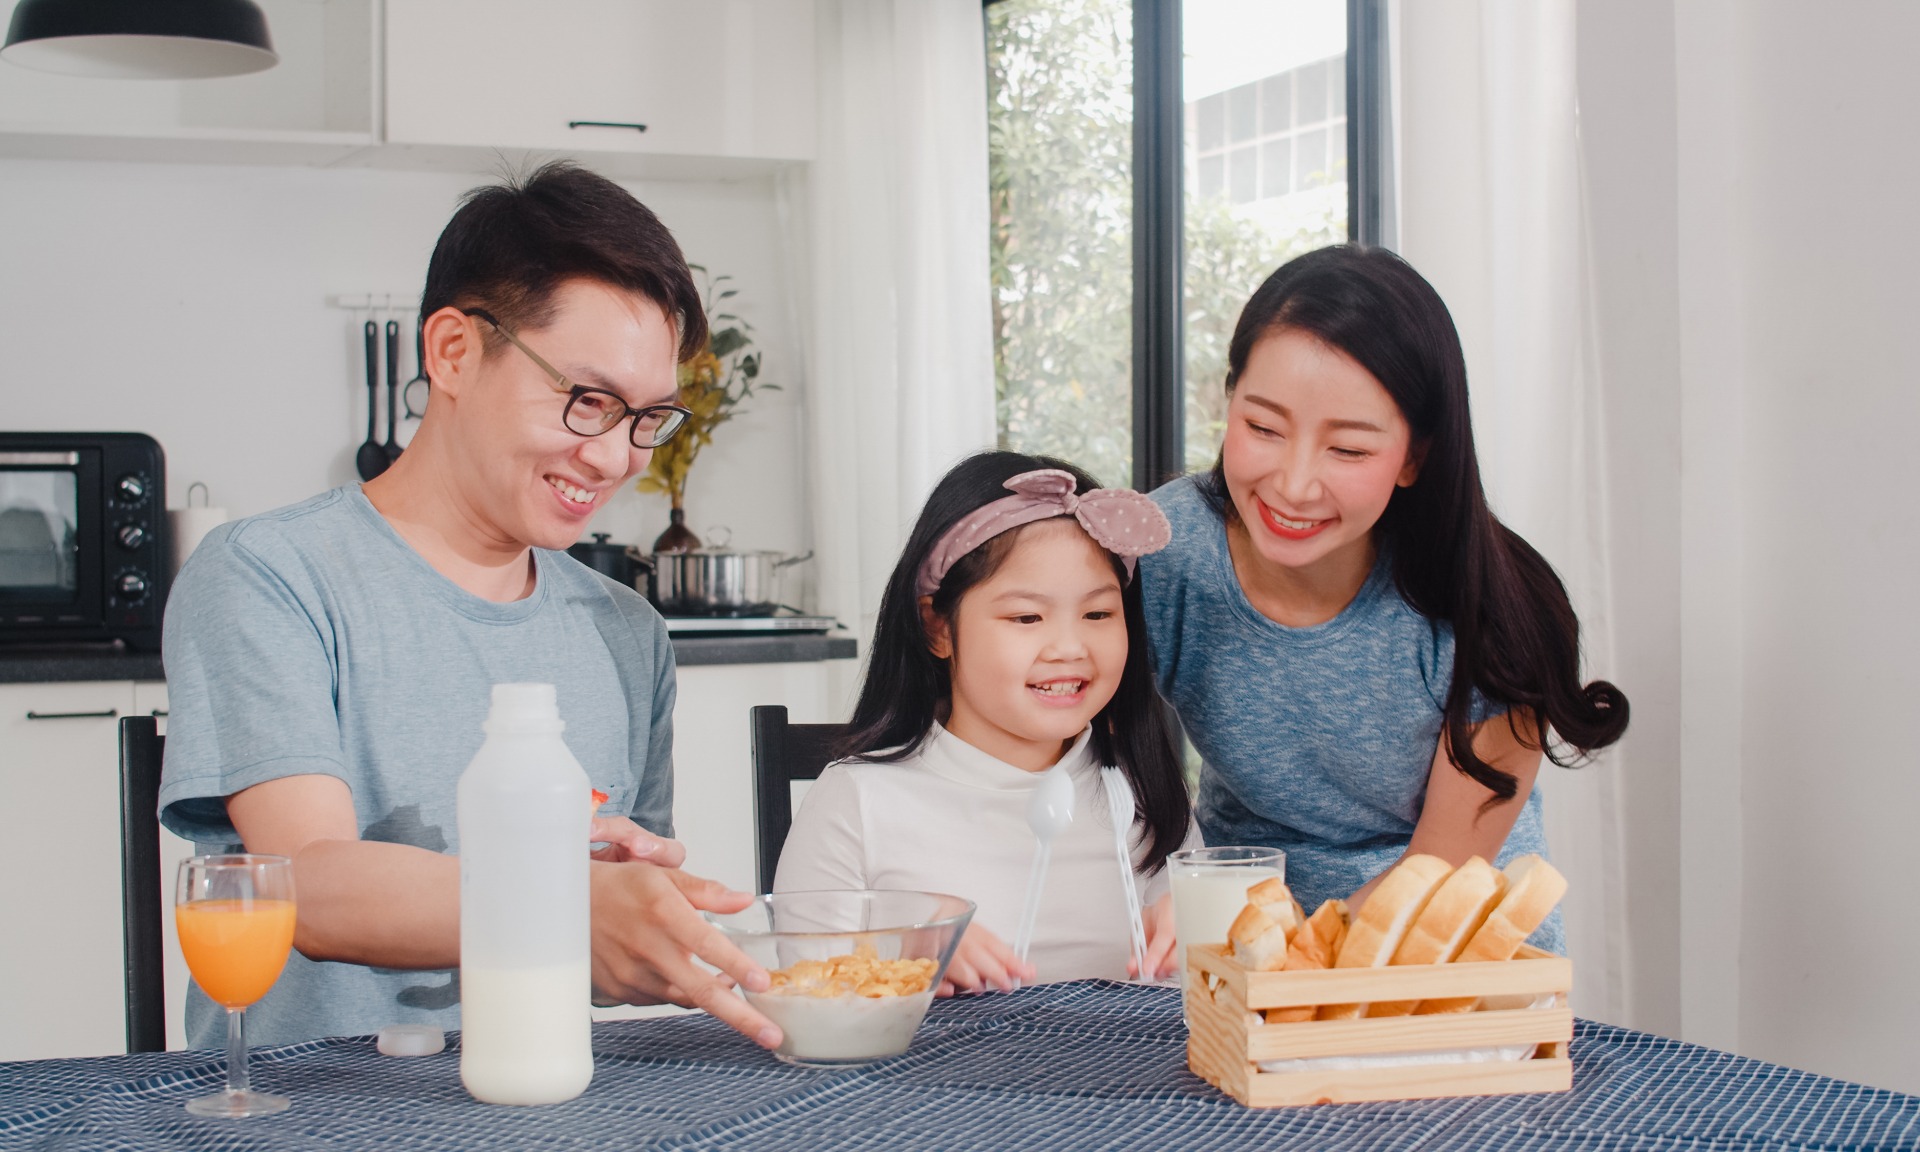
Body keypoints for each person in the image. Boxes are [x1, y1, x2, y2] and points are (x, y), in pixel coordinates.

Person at [159, 162, 781, 1050]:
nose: (617, 459)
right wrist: (565, 900)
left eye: (647, 418)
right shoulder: (270, 575)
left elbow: (616, 924)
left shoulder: (624, 632)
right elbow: (307, 884)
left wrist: (681, 922)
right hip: (318, 1109)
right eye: (589, 401)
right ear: (453, 352)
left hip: (551, 1096)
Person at [1139, 246, 1630, 951]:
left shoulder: (1495, 607)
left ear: (1415, 458)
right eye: (1263, 428)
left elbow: (1436, 871)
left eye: (1348, 450)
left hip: (1442, 943)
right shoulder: (1167, 552)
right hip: (1238, 929)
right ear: (1229, 403)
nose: (1294, 485)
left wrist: (1272, 963)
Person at [775, 451, 1199, 992]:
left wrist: (1205, 939)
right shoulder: (858, 801)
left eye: (1098, 614)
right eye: (1026, 617)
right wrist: (899, 959)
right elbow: (802, 1007)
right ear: (938, 627)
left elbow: (1217, 1002)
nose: (1070, 649)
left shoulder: (1145, 794)